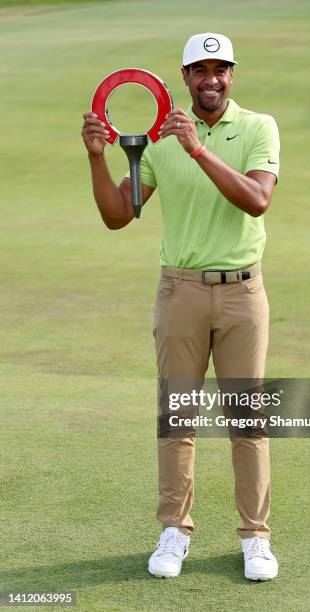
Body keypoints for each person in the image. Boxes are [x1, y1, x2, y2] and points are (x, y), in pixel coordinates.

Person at [81, 32, 280, 581]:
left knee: (247, 421)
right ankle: (174, 531)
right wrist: (98, 158)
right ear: (185, 76)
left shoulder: (258, 127)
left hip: (243, 291)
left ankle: (255, 538)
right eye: (200, 70)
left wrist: (197, 148)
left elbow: (257, 198)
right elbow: (119, 214)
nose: (211, 79)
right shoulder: (158, 140)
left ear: (232, 75)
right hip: (180, 291)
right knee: (178, 420)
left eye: (221, 70)